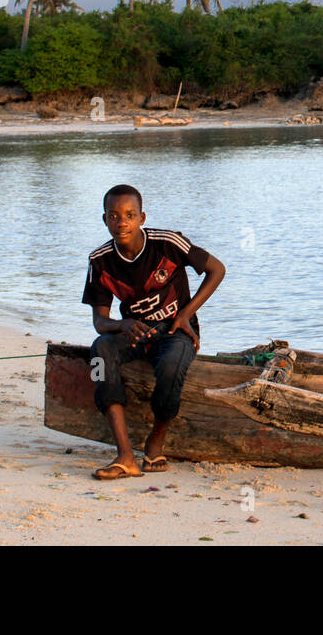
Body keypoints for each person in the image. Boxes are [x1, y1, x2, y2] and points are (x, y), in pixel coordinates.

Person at [82, 184, 225, 479]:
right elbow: (100, 321)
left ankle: (156, 439)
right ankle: (124, 455)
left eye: (129, 215)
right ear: (105, 219)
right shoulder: (100, 261)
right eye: (114, 215)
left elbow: (217, 270)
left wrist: (187, 313)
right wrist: (123, 325)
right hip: (135, 334)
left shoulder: (168, 243)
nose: (122, 222)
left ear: (142, 218)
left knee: (172, 365)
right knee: (99, 353)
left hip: (175, 329)